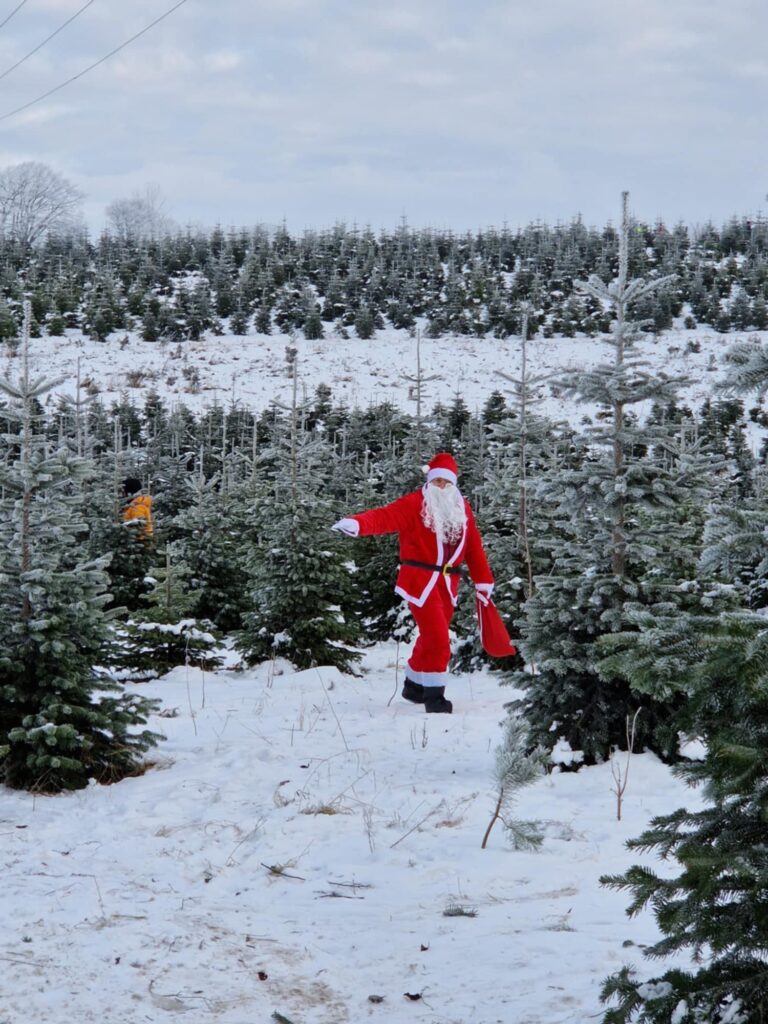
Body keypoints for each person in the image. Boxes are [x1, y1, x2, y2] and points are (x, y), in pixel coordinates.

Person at [332, 452, 495, 714]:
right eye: (437, 481)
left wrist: (483, 581)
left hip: (447, 583)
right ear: (430, 481)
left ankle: (413, 685)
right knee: (438, 637)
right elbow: (385, 517)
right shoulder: (415, 503)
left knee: (431, 634)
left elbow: (473, 547)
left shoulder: (462, 508)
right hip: (420, 580)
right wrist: (358, 524)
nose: (441, 486)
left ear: (453, 484)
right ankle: (435, 697)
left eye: (447, 482)